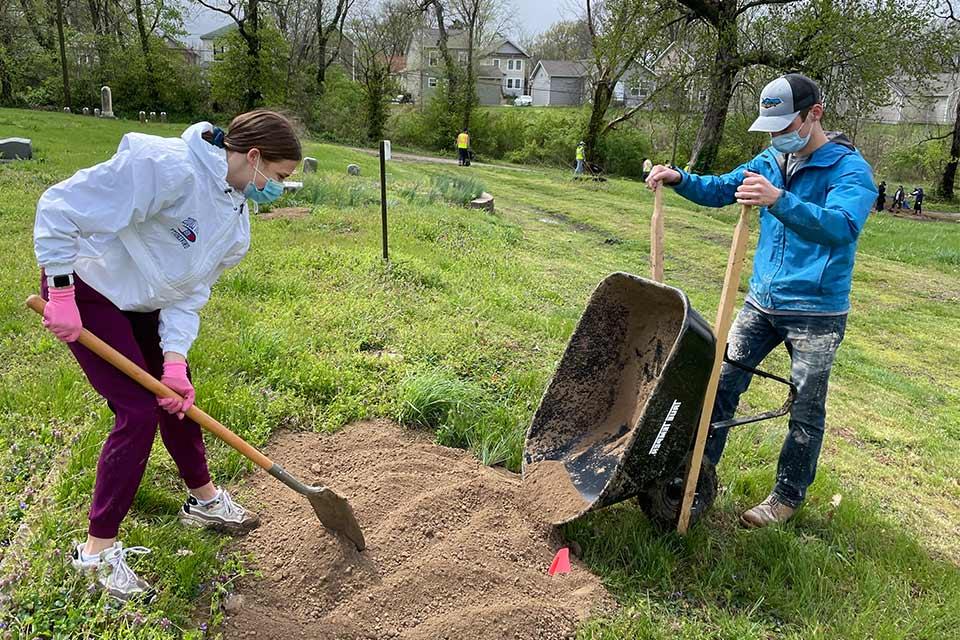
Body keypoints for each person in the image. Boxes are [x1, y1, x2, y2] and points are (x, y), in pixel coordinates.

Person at [34, 110, 302, 599]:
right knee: (136, 411)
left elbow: (188, 293)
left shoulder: (235, 222)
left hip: (144, 302)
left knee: (177, 400)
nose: (278, 189)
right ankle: (96, 554)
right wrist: (61, 291)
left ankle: (202, 499)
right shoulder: (166, 165)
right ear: (255, 157)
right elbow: (60, 206)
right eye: (279, 177)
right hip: (91, 289)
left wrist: (174, 360)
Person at [646, 73, 876, 528]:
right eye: (770, 128)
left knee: (806, 406)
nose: (776, 137)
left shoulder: (849, 171)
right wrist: (680, 178)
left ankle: (786, 498)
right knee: (718, 385)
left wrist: (779, 200)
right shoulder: (770, 158)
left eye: (784, 126)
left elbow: (841, 226)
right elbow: (721, 188)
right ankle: (693, 476)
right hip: (761, 302)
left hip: (816, 311)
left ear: (815, 114)